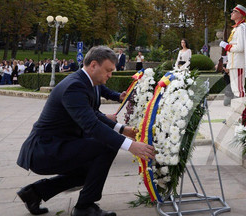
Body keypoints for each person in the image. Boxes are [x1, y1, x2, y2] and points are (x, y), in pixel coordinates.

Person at [16, 46, 155, 216]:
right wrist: (131, 145)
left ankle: (34, 193)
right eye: (108, 70)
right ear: (94, 65)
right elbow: (92, 125)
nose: (110, 75)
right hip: (44, 150)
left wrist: (122, 129)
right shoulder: (74, 86)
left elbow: (93, 113)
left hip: (58, 145)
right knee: (106, 147)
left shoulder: (88, 82)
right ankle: (84, 207)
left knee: (88, 173)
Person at [219, 4, 246, 99]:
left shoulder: (241, 28)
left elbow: (241, 47)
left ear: (240, 14)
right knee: (234, 88)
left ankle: (242, 110)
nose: (232, 13)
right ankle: (239, 110)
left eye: (234, 11)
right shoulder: (236, 28)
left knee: (239, 89)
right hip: (234, 63)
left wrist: (228, 47)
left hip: (238, 63)